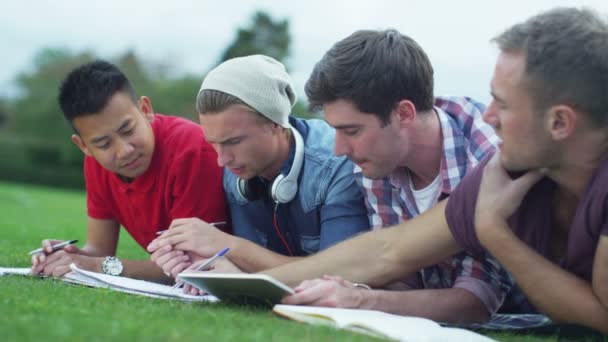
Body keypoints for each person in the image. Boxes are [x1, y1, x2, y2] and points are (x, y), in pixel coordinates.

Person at [267, 7, 608, 333]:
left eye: (502, 104)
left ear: (560, 122)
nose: (488, 116)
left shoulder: (497, 155)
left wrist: (493, 232)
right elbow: (391, 250)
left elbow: (601, 314)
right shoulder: (508, 168)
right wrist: (262, 284)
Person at [277, 29, 511, 324]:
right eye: (335, 130)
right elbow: (399, 277)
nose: (338, 150)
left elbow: (477, 300)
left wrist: (362, 300)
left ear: (403, 113)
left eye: (352, 131)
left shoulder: (486, 154)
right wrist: (347, 292)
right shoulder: (377, 161)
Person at [147, 55, 370, 277]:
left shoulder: (338, 165)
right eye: (213, 143)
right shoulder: (236, 168)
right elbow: (250, 268)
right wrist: (195, 259)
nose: (221, 160)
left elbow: (341, 275)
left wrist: (229, 246)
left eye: (233, 142)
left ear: (276, 123)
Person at [31, 60, 227, 282]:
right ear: (84, 146)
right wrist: (67, 257)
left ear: (145, 110)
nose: (123, 151)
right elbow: (99, 249)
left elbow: (195, 266)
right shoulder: (97, 164)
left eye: (127, 129)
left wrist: (97, 266)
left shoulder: (192, 150)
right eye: (103, 144)